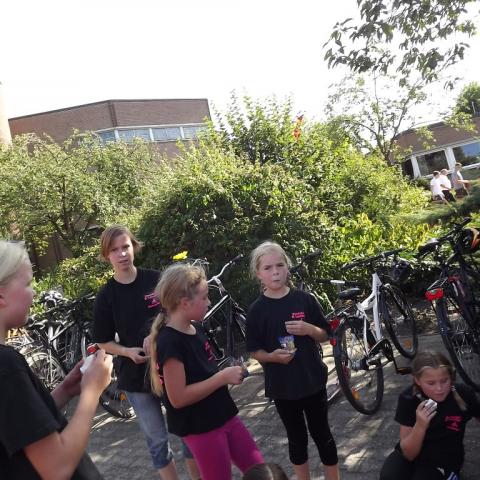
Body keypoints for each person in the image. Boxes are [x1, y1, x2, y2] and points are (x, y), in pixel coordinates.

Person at [93, 225, 199, 480]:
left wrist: (157, 332)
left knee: (188, 431)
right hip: (135, 377)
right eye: (114, 250)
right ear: (107, 255)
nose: (122, 254)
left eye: (125, 247)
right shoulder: (106, 296)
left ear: (134, 247)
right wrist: (127, 351)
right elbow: (102, 341)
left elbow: (177, 312)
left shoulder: (155, 279)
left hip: (170, 367)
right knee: (157, 441)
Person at [0, 240, 113, 479]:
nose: (34, 292)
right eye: (28, 284)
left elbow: (20, 427)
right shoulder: (5, 365)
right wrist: (92, 391)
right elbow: (57, 467)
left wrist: (64, 391)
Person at [150, 263, 263, 480]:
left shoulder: (196, 328)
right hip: (201, 427)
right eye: (204, 297)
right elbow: (178, 398)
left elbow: (202, 373)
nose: (209, 302)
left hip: (224, 415)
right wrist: (221, 378)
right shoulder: (170, 342)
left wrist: (226, 372)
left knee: (260, 471)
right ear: (185, 303)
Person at [246, 241, 340, 480]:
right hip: (283, 386)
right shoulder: (256, 311)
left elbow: (325, 334)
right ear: (258, 273)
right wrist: (271, 357)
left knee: (322, 434)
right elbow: (254, 350)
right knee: (297, 439)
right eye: (268, 268)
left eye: (280, 265)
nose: (275, 272)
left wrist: (309, 329)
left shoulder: (304, 300)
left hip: (312, 380)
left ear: (287, 267)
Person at [380, 350, 480, 480]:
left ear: (451, 377)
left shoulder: (463, 394)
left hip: (444, 460)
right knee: (389, 476)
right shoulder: (408, 398)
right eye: (431, 383)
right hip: (413, 451)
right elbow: (408, 454)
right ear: (417, 380)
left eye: (444, 381)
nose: (439, 389)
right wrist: (420, 426)